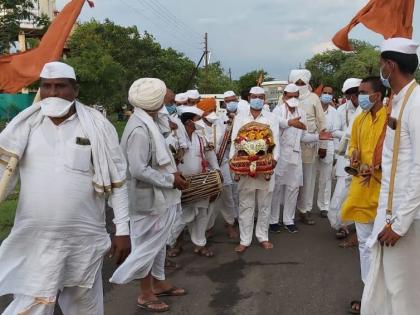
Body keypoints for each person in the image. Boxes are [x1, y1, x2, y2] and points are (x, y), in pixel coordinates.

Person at [0, 62, 131, 315]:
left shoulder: (98, 127)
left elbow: (118, 181)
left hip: (83, 241)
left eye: (60, 86)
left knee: (85, 308)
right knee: (32, 306)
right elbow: (4, 175)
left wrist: (122, 230)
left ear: (75, 89)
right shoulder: (24, 126)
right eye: (46, 86)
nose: (52, 92)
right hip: (35, 239)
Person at [110, 78, 187, 312]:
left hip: (158, 197)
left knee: (159, 244)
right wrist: (170, 179)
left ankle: (160, 282)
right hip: (145, 200)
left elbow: (165, 126)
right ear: (155, 102)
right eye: (163, 95)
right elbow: (138, 169)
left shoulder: (150, 121)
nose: (169, 97)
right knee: (146, 245)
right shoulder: (140, 130)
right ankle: (145, 293)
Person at [362, 38, 420, 315]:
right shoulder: (397, 101)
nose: (380, 69)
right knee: (386, 285)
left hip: (406, 219)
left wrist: (400, 224)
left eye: (382, 63)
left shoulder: (417, 103)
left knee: (404, 292)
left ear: (391, 65)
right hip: (390, 212)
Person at [338, 77, 387, 314]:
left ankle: (383, 298)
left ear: (377, 95)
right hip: (361, 189)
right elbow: (352, 147)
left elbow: (396, 156)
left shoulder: (390, 120)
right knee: (365, 246)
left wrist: (376, 167)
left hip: (383, 191)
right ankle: (368, 296)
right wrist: (355, 155)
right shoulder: (360, 119)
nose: (361, 96)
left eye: (364, 92)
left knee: (381, 247)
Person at [230, 86, 280, 253]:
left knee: (265, 204)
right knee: (245, 204)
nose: (257, 99)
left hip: (265, 166)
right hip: (245, 166)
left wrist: (274, 161)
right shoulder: (240, 118)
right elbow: (234, 142)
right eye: (254, 96)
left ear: (264, 99)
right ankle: (244, 240)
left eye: (260, 97)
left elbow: (275, 142)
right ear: (249, 97)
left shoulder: (272, 117)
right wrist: (233, 164)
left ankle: (263, 237)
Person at [167, 107, 220, 257]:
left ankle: (200, 244)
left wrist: (217, 170)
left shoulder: (200, 137)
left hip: (200, 182)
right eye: (198, 119)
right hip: (181, 183)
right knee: (183, 215)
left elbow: (210, 156)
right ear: (189, 122)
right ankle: (171, 243)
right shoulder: (175, 138)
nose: (201, 122)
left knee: (202, 213)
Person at [269, 84, 320, 234]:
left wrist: (318, 137)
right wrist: (290, 122)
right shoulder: (276, 111)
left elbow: (304, 136)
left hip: (296, 155)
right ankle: (273, 220)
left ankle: (288, 220)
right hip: (280, 155)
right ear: (284, 97)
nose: (292, 99)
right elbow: (278, 124)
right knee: (277, 188)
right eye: (289, 96)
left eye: (295, 96)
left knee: (293, 188)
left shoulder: (302, 112)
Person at [289, 69, 327, 225]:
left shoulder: (313, 98)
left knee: (307, 180)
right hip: (289, 146)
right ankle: (288, 214)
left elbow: (321, 122)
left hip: (308, 145)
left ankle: (304, 211)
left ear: (307, 83)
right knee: (291, 181)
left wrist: (323, 145)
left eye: (301, 83)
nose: (299, 86)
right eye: (296, 83)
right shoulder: (285, 98)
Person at [197, 98, 238, 239]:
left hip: (223, 163)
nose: (212, 113)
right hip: (206, 167)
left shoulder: (220, 122)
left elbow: (229, 142)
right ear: (202, 113)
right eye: (209, 111)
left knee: (227, 195)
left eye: (214, 110)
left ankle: (230, 224)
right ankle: (208, 227)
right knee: (209, 199)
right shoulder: (197, 126)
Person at [328, 78, 362, 240]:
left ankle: (358, 225)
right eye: (351, 95)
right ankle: (340, 224)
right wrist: (351, 136)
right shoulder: (341, 110)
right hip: (345, 156)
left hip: (365, 157)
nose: (354, 97)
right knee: (342, 192)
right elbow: (334, 131)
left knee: (360, 191)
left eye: (356, 93)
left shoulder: (369, 108)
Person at [318, 86, 340, 218]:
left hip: (330, 145)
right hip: (313, 143)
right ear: (320, 94)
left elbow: (336, 133)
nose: (327, 95)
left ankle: (324, 206)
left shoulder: (334, 112)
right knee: (309, 179)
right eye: (324, 93)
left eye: (329, 93)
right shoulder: (315, 109)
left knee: (325, 179)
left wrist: (336, 153)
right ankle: (306, 207)